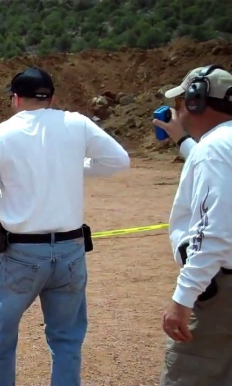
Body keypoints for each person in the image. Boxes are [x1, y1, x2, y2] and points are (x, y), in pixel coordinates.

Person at [0, 67, 130, 386]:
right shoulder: (77, 123)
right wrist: (74, 166)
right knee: (67, 342)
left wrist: (14, 200)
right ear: (52, 98)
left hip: (21, 253)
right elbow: (118, 161)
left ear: (15, 99)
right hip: (71, 250)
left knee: (2, 341)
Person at [151, 65, 232, 386]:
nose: (178, 108)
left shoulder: (214, 150)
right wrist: (183, 140)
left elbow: (215, 232)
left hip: (220, 291)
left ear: (197, 101)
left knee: (189, 374)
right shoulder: (219, 147)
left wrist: (183, 299)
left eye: (182, 100)